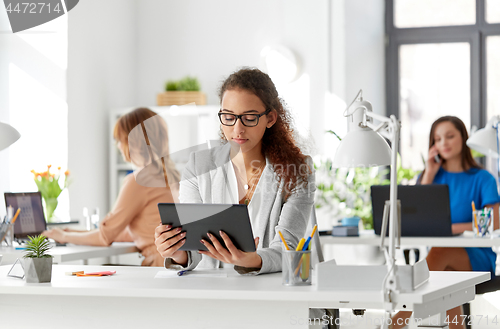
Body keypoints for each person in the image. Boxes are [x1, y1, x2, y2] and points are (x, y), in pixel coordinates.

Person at [154, 67, 315, 274]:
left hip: (272, 294)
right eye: (229, 117)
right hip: (213, 294)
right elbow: (193, 248)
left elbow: (288, 248)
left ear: (270, 118)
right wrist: (175, 250)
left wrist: (252, 260)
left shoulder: (298, 170)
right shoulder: (198, 166)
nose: (237, 129)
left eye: (249, 118)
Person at [392, 116, 500, 329]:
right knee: (446, 270)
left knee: (441, 252)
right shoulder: (431, 175)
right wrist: (429, 173)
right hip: (442, 262)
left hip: (476, 258)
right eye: (438, 139)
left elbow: (494, 221)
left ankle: (397, 322)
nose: (444, 143)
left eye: (450, 136)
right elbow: (417, 217)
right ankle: (455, 326)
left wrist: (452, 229)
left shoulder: (482, 178)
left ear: (463, 137)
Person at [43, 107, 180, 267]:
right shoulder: (171, 175)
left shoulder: (139, 180)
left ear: (134, 141)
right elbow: (125, 234)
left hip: (157, 267)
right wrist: (70, 232)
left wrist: (64, 237)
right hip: (174, 265)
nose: (118, 146)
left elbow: (105, 237)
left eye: (120, 140)